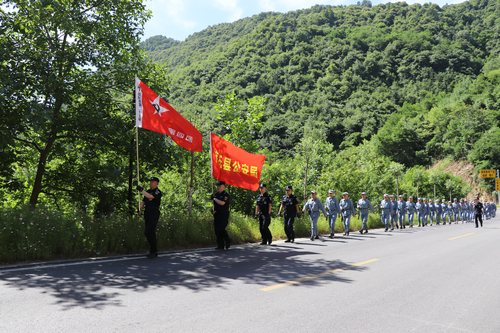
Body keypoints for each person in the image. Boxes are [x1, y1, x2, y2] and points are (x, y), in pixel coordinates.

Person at [137, 176, 162, 259]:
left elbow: (150, 197)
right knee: (150, 233)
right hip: (147, 212)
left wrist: (141, 190)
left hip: (154, 213)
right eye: (150, 181)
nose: (150, 183)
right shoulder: (148, 191)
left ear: (156, 183)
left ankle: (153, 250)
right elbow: (144, 201)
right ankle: (153, 250)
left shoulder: (157, 192)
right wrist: (139, 208)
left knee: (148, 232)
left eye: (152, 182)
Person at [213, 181, 231, 250]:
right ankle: (220, 245)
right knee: (217, 230)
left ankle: (227, 239)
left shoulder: (225, 195)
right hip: (217, 214)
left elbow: (222, 203)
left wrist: (214, 198)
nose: (218, 187)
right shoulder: (216, 194)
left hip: (224, 214)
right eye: (218, 186)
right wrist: (213, 209)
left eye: (220, 186)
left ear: (223, 187)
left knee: (221, 228)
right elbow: (214, 204)